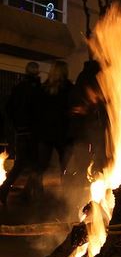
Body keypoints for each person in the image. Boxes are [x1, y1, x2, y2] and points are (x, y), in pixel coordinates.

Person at [0, 61, 41, 204]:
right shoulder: (37, 89)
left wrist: (16, 125)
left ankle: (7, 188)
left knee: (20, 164)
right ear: (36, 73)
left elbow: (9, 107)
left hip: (21, 131)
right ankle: (31, 194)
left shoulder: (18, 87)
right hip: (33, 131)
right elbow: (37, 111)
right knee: (36, 163)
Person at [36, 60, 75, 193]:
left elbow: (37, 110)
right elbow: (71, 108)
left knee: (41, 165)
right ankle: (66, 193)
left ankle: (35, 191)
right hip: (63, 132)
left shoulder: (43, 88)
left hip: (45, 132)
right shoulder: (69, 88)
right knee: (65, 165)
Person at [70, 59, 108, 184]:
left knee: (87, 154)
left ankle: (86, 179)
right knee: (91, 153)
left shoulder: (83, 77)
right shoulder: (90, 79)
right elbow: (94, 99)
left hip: (87, 124)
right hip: (90, 124)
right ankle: (89, 179)